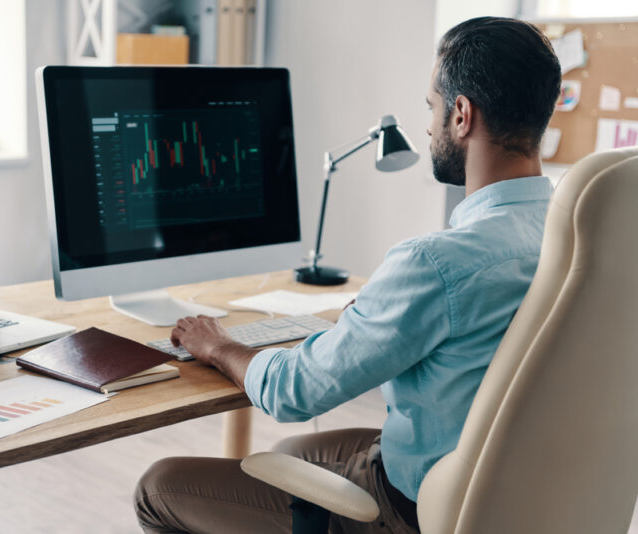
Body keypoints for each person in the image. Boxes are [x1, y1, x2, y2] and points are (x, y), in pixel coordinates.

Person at [134, 16, 561, 534]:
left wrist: (220, 345)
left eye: (431, 106)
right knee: (295, 453)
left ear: (462, 115)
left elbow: (298, 392)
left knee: (158, 487)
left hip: (415, 512)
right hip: (518, 492)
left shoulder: (438, 263)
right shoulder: (574, 239)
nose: (427, 126)